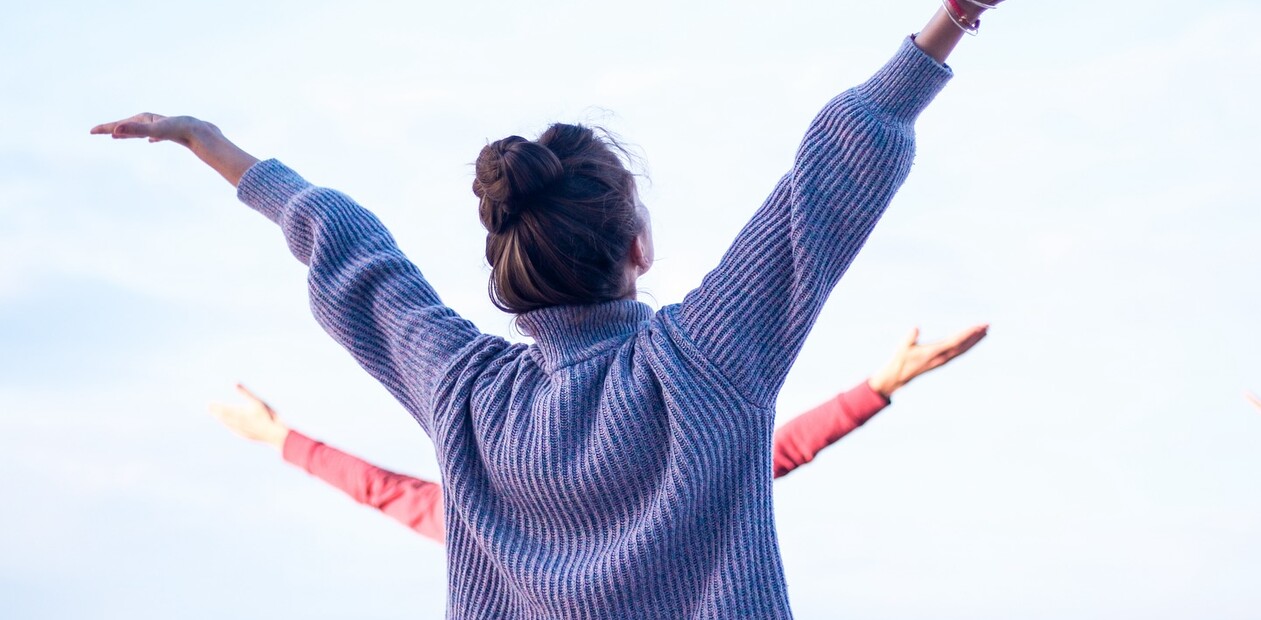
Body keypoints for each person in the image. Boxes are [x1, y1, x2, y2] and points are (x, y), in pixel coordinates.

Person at [93, 3, 1004, 616]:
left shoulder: (465, 393)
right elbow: (829, 180)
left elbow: (354, 255)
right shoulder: (707, 361)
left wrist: (215, 147)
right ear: (636, 248)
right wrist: (950, 20)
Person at [210, 325, 989, 543]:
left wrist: (280, 439)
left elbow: (391, 496)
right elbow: (769, 453)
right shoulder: (496, 525)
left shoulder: (493, 529)